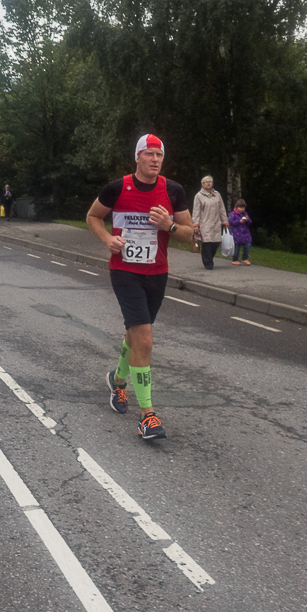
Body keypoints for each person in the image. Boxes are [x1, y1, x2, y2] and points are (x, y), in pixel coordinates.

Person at [86, 133, 193, 440]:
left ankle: (118, 381)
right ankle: (148, 416)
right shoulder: (117, 188)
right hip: (124, 271)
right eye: (149, 154)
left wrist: (169, 226)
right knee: (145, 338)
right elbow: (93, 216)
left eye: (159, 155)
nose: (155, 160)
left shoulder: (173, 191)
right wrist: (108, 239)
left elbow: (188, 235)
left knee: (135, 334)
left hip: (157, 273)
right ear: (138, 157)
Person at [191, 175, 229, 270]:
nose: (208, 183)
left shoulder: (217, 194)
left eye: (210, 181)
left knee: (215, 243)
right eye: (206, 182)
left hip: (216, 223)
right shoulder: (199, 196)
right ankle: (208, 263)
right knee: (207, 243)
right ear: (202, 184)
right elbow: (196, 211)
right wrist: (196, 225)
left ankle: (210, 259)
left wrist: (225, 221)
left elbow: (222, 209)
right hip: (205, 223)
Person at [229, 199, 253, 265]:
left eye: (243, 207)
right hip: (236, 233)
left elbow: (250, 222)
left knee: (247, 245)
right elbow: (231, 222)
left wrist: (247, 220)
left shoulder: (245, 214)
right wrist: (239, 221)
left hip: (245, 233)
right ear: (237, 207)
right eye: (240, 207)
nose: (242, 209)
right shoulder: (233, 214)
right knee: (236, 248)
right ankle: (235, 259)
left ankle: (245, 258)